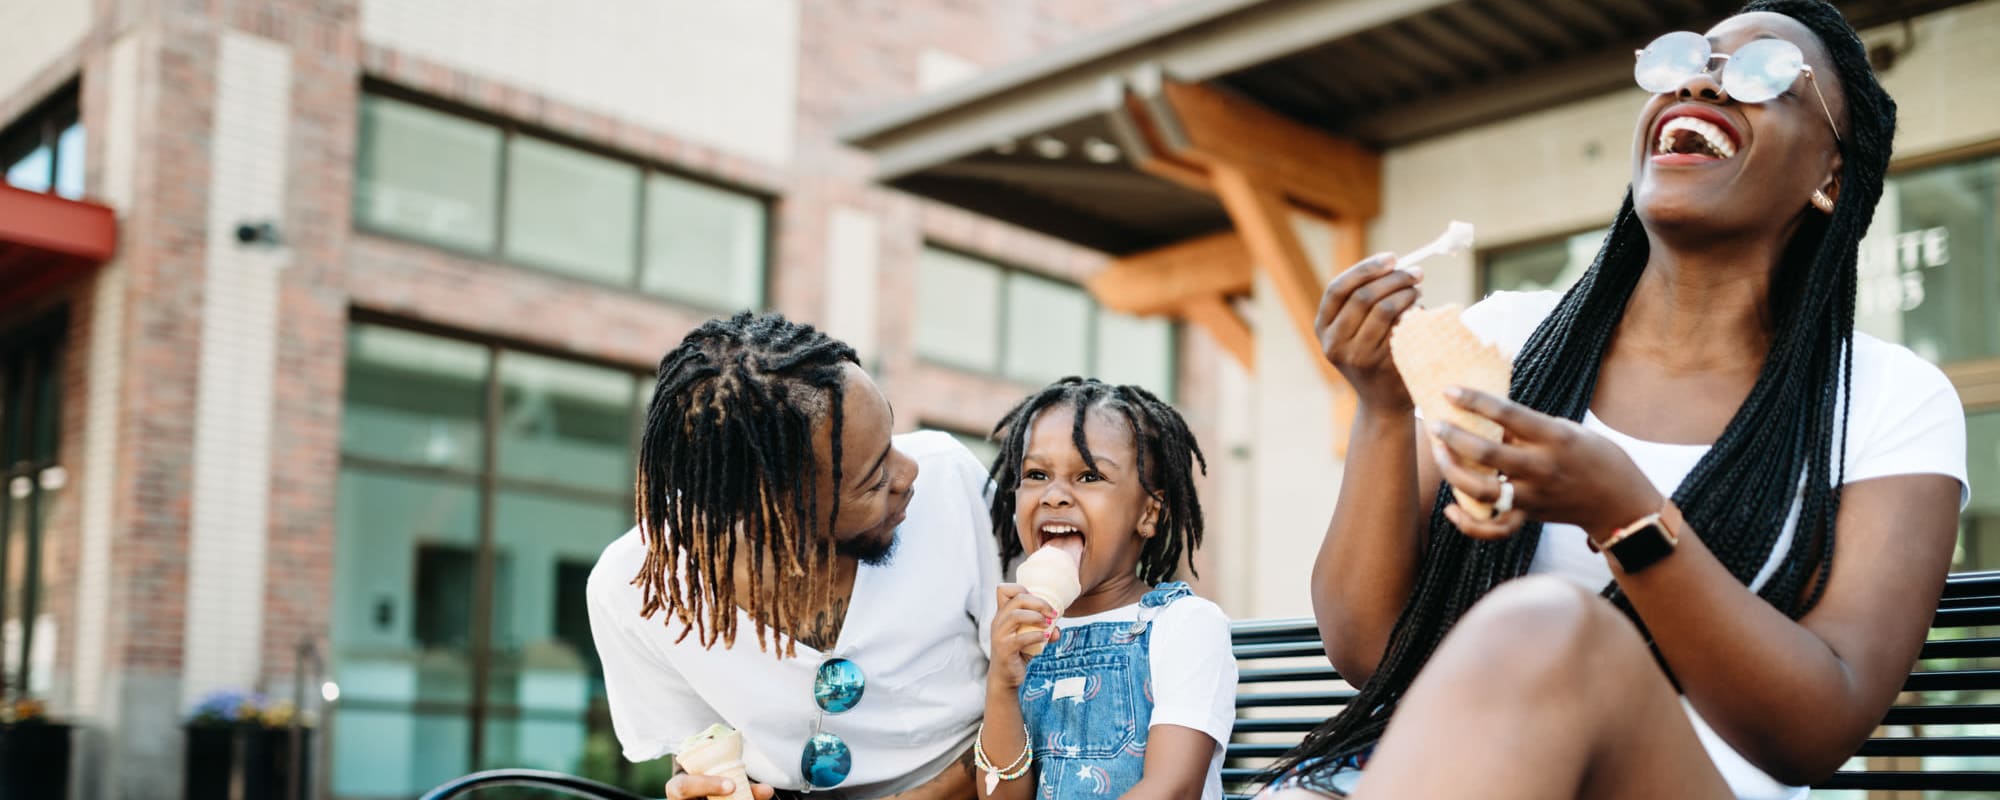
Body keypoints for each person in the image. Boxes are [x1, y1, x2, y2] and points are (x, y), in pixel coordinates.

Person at [1269, 1, 1968, 798]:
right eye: (1683, 62)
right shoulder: (1506, 338)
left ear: (1830, 178)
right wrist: (1385, 411)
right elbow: (1370, 650)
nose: (1702, 84)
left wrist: (1626, 517)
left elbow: (1815, 731)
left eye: (1763, 72)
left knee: (1550, 624)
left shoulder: (1891, 399)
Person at [585, 312, 1000, 800]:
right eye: (873, 480)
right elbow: (700, 751)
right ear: (768, 516)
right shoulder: (637, 589)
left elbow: (1046, 694)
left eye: (889, 440)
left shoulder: (951, 483)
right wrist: (706, 788)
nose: (908, 473)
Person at [975, 378, 1237, 800]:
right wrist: (1001, 686)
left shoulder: (1184, 626)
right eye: (1037, 474)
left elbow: (1174, 788)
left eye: (1088, 476)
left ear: (1148, 513)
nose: (1055, 495)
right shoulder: (1018, 633)